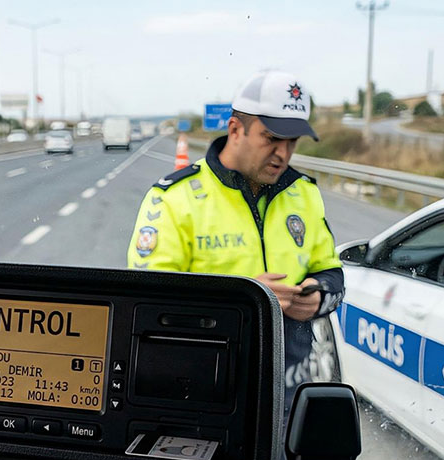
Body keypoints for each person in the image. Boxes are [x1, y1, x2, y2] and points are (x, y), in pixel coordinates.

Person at [127, 69, 344, 418]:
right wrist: (245, 299)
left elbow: (332, 272)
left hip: (286, 399)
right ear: (235, 130)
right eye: (271, 138)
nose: (283, 154)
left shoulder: (304, 194)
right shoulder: (173, 199)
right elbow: (148, 306)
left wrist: (318, 295)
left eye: (292, 142)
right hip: (202, 398)